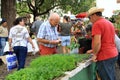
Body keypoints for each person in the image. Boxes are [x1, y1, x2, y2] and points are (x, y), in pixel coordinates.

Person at [87, 7, 118, 80]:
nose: (90, 20)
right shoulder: (109, 23)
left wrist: (94, 54)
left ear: (94, 15)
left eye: (89, 17)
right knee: (111, 76)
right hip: (113, 53)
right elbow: (107, 40)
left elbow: (97, 42)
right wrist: (93, 50)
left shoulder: (97, 24)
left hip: (105, 56)